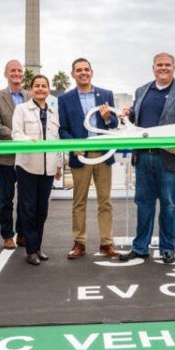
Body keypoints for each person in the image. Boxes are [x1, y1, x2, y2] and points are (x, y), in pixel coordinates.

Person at [119, 53, 175, 264]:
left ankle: (167, 248)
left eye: (167, 65)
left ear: (174, 67)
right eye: (159, 65)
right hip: (144, 156)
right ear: (153, 67)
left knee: (169, 205)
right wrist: (127, 115)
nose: (163, 68)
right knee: (143, 203)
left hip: (171, 158)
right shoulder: (142, 90)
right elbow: (136, 119)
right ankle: (140, 247)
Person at [58, 58, 120, 259]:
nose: (83, 73)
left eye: (86, 69)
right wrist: (74, 145)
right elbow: (63, 129)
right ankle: (80, 242)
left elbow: (114, 124)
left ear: (91, 72)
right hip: (80, 156)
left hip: (102, 154)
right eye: (79, 70)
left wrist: (108, 118)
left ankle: (106, 243)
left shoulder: (106, 95)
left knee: (105, 201)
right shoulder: (65, 99)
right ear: (73, 74)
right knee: (79, 202)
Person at [11, 75, 63, 265]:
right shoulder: (21, 109)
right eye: (37, 86)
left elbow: (56, 141)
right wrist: (29, 141)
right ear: (31, 89)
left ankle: (38, 247)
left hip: (47, 169)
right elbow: (16, 135)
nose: (40, 89)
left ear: (49, 90)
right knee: (28, 209)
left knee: (42, 210)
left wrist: (57, 164)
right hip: (27, 166)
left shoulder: (53, 112)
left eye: (44, 86)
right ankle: (31, 250)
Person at [0, 60, 32, 250]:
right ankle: (7, 235)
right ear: (6, 74)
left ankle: (22, 233)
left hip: (27, 157)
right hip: (6, 156)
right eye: (12, 70)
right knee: (7, 199)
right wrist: (19, 136)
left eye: (19, 70)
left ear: (23, 74)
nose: (16, 73)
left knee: (25, 199)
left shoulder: (31, 96)